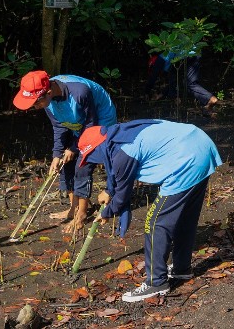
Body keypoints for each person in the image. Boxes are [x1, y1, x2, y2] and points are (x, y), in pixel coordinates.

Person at [78, 119, 223, 302]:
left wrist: (107, 212)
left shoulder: (123, 152)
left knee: (155, 223)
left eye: (91, 157)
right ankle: (181, 269)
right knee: (184, 218)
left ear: (97, 149)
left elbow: (122, 195)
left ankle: (156, 282)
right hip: (200, 145)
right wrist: (109, 190)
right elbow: (118, 173)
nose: (95, 162)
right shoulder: (120, 135)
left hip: (187, 161)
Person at [12, 71, 117, 234]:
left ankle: (82, 214)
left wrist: (74, 148)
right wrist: (57, 154)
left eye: (35, 103)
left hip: (99, 122)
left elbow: (91, 125)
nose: (34, 107)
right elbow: (59, 126)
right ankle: (74, 208)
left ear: (48, 92)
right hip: (76, 123)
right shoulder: (48, 100)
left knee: (82, 164)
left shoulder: (80, 92)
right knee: (64, 162)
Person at [145, 48, 218, 114]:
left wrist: (146, 92)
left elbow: (153, 77)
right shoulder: (170, 61)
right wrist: (160, 95)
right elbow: (174, 82)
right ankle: (210, 99)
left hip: (187, 55)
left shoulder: (160, 60)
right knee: (189, 83)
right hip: (195, 53)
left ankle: (210, 98)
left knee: (188, 83)